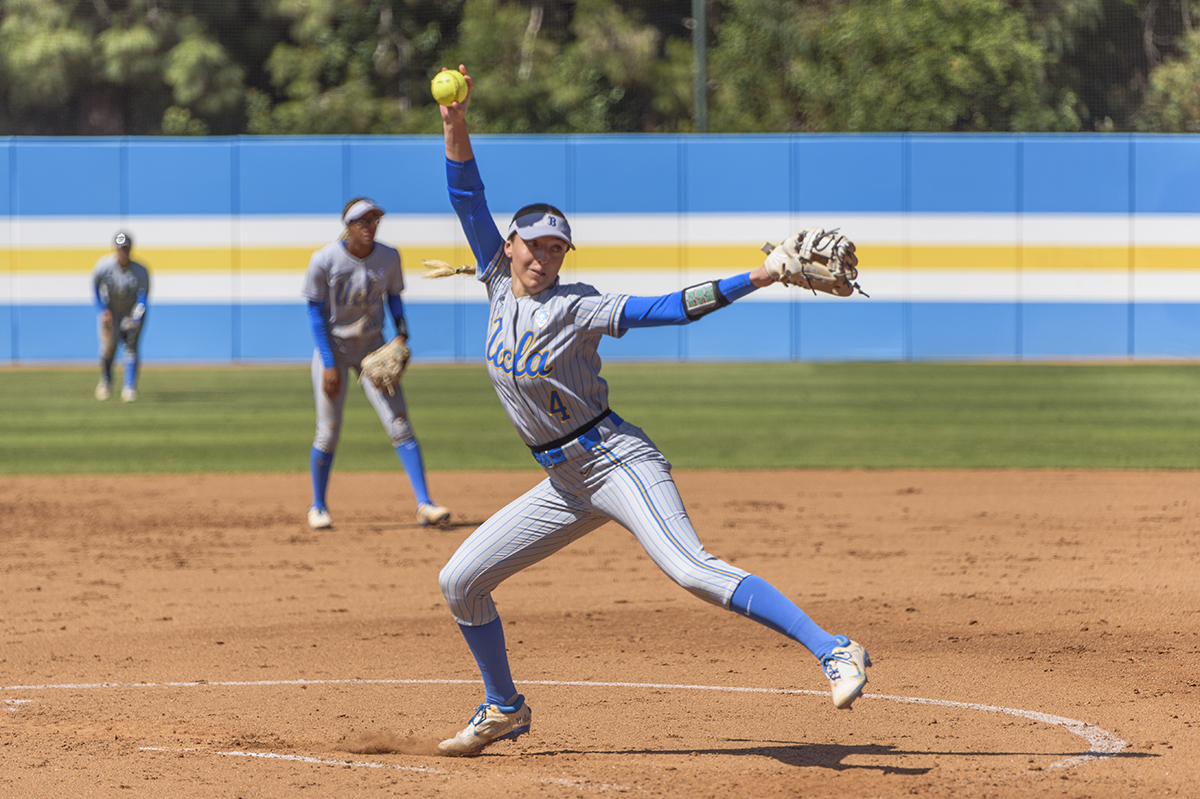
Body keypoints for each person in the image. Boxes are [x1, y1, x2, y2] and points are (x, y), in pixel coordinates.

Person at [432, 65, 871, 757]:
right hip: (562, 481)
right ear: (508, 246)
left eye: (556, 247)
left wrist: (758, 275)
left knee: (691, 567)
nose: (544, 256)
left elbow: (668, 309)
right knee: (460, 581)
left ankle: (834, 648)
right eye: (534, 243)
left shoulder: (578, 305)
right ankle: (504, 705)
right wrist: (456, 125)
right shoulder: (493, 279)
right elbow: (466, 193)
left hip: (613, 460)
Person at [301, 197, 451, 530]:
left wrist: (402, 334)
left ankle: (425, 504)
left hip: (373, 347)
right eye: (363, 222)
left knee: (400, 424)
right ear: (349, 226)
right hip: (335, 348)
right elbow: (314, 313)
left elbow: (394, 297)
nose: (370, 227)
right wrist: (328, 363)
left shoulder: (389, 256)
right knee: (328, 432)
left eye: (374, 221)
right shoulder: (324, 259)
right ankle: (318, 506)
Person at [92, 231, 149, 402]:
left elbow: (144, 296)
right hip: (111, 311)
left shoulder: (140, 270)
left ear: (130, 249)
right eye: (120, 248)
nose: (123, 252)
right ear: (115, 249)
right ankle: (106, 381)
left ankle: (129, 387)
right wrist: (103, 310)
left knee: (131, 347)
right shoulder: (104, 266)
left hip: (130, 312)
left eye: (125, 248)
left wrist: (136, 317)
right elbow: (95, 286)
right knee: (108, 349)